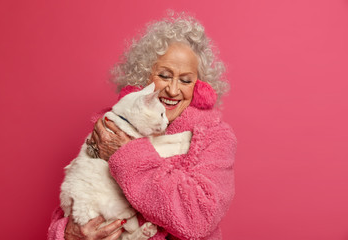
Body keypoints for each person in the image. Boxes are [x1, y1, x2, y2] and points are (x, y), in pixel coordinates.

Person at [48, 12, 237, 240]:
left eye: (186, 80)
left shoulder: (213, 137)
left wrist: (125, 154)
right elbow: (80, 192)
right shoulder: (110, 127)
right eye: (164, 76)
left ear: (200, 86)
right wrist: (68, 234)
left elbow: (197, 218)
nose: (173, 90)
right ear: (145, 76)